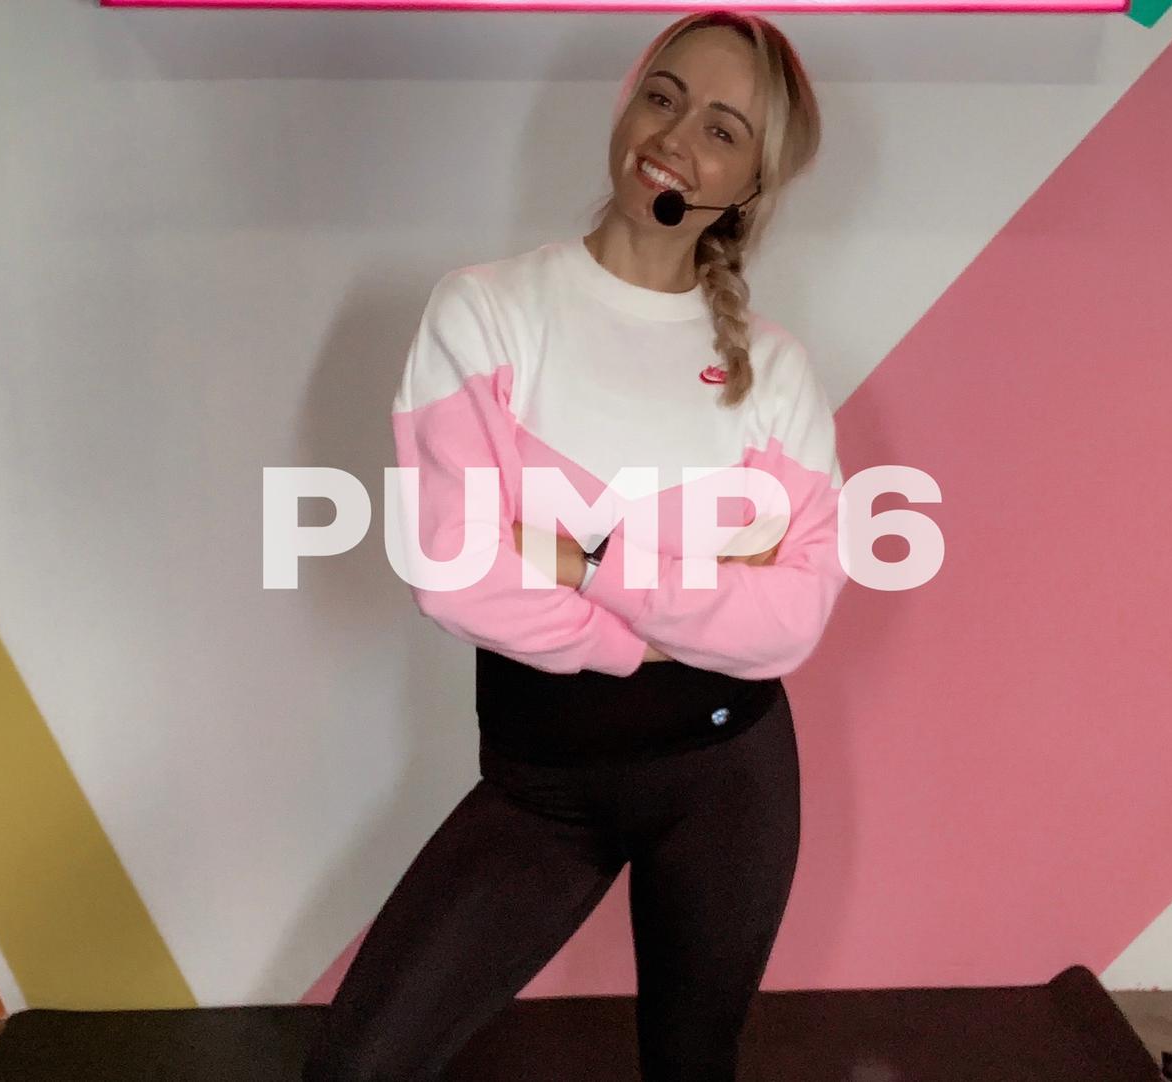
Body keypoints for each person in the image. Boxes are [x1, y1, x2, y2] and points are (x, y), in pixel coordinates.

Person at [302, 9, 842, 1080]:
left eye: (722, 129)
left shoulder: (775, 373)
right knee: (359, 1068)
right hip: (541, 785)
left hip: (727, 779)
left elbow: (789, 619)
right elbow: (453, 571)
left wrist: (580, 561)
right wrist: (673, 623)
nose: (674, 136)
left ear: (750, 184)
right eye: (662, 96)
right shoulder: (487, 311)